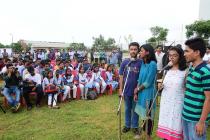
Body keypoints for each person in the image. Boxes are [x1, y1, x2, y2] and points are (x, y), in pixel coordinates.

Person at [157, 46, 187, 140]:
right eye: (170, 55)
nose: (171, 57)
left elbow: (186, 89)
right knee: (166, 125)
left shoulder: (185, 71)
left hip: (178, 104)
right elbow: (162, 85)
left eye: (175, 55)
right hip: (166, 102)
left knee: (176, 126)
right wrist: (160, 87)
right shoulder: (166, 70)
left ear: (180, 57)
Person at [183, 37, 210, 140]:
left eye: (187, 51)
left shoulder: (206, 71)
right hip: (186, 115)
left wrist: (201, 122)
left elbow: (209, 98)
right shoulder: (191, 68)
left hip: (197, 119)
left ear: (197, 52)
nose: (184, 54)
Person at [118, 42, 142, 136]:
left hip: (137, 91)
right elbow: (121, 76)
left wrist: (138, 88)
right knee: (127, 108)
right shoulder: (125, 62)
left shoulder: (141, 62)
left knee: (135, 109)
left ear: (138, 50)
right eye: (131, 49)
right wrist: (120, 89)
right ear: (129, 50)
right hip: (126, 90)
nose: (133, 51)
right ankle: (127, 125)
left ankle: (135, 126)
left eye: (135, 49)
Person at [134, 44, 157, 140]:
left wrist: (138, 89)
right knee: (143, 113)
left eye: (141, 50)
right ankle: (143, 133)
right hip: (141, 92)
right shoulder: (143, 63)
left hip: (148, 92)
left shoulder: (152, 64)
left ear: (147, 52)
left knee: (149, 115)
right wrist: (136, 91)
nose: (139, 52)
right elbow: (139, 79)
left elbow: (148, 82)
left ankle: (148, 137)